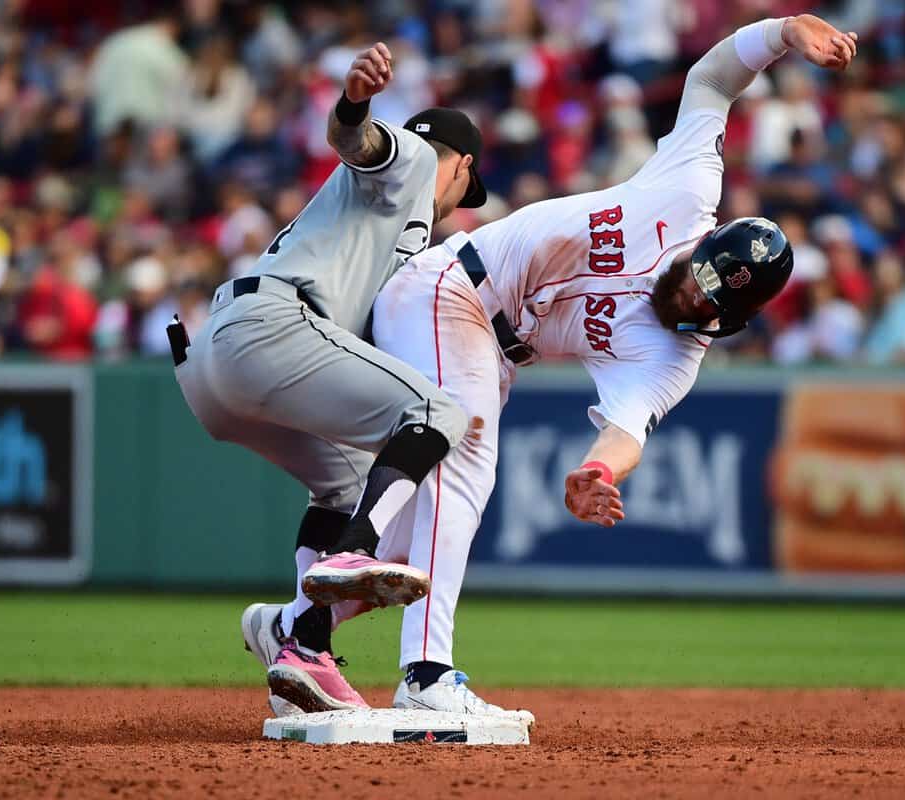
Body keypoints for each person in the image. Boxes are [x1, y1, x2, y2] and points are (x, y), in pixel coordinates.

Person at [264, 15, 858, 718]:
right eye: (701, 276)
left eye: (711, 302)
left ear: (733, 318)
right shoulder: (689, 189)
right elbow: (711, 80)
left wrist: (600, 472)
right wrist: (786, 31)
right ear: (705, 248)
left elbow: (627, 428)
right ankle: (426, 674)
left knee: (422, 532)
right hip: (450, 285)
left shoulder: (675, 353)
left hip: (487, 343)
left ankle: (295, 630)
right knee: (469, 448)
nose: (694, 295)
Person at [173, 44, 488, 714]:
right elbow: (356, 139)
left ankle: (300, 642)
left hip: (214, 372)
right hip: (272, 325)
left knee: (346, 481)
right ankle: (353, 554)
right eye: (468, 186)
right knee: (440, 415)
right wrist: (354, 101)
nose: (462, 202)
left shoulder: (388, 237)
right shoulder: (415, 161)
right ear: (459, 165)